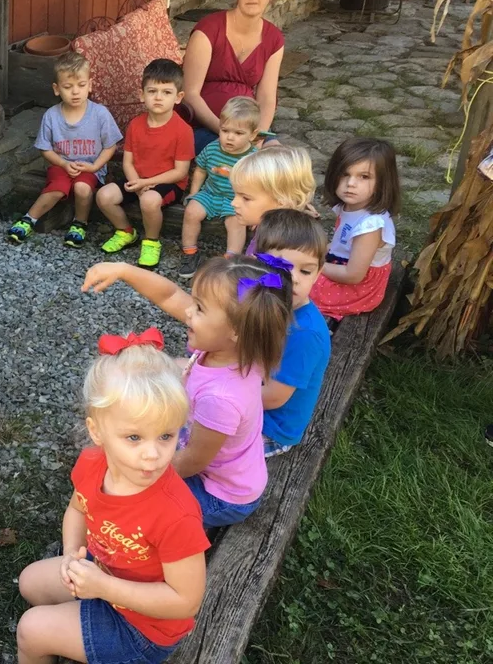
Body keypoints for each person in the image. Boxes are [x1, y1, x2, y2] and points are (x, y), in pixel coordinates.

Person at [15, 331, 209, 664]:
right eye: (134, 437)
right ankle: (75, 625)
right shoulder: (92, 464)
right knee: (30, 582)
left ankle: (64, 634)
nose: (153, 454)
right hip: (107, 573)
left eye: (166, 435)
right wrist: (71, 556)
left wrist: (104, 588)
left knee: (30, 629)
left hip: (144, 629)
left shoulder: (176, 514)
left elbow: (185, 601)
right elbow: (77, 509)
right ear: (97, 431)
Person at [83, 255, 292, 527]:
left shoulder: (221, 399)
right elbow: (170, 295)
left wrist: (135, 478)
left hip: (221, 493)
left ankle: (128, 560)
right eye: (194, 303)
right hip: (213, 466)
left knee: (138, 511)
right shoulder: (229, 348)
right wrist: (125, 270)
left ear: (237, 330)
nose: (189, 312)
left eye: (200, 308)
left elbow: (192, 462)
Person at [7, 52, 123, 248]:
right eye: (68, 87)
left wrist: (95, 166)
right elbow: (44, 148)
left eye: (81, 85)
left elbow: (110, 145)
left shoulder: (100, 114)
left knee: (82, 188)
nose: (75, 92)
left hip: (89, 168)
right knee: (57, 189)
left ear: (90, 85)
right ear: (56, 89)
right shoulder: (52, 116)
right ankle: (29, 219)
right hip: (61, 165)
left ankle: (80, 223)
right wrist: (63, 163)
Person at [95, 58, 195, 268]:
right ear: (142, 95)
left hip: (168, 182)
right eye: (152, 91)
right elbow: (128, 162)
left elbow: (180, 172)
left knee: (149, 200)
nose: (158, 97)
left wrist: (145, 186)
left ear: (178, 97)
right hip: (137, 178)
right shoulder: (136, 124)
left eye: (166, 92)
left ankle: (151, 242)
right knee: (104, 196)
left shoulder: (183, 130)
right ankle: (125, 232)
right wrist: (137, 183)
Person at [182, 0, 285, 153]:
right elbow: (190, 94)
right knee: (234, 162)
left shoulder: (274, 39)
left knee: (281, 163)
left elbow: (266, 97)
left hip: (247, 127)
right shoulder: (209, 30)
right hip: (204, 125)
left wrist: (258, 136)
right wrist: (227, 132)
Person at [252, 210, 332, 457]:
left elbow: (274, 399)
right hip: (252, 392)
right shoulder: (265, 300)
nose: (293, 279)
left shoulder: (305, 333)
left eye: (305, 271)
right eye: (281, 267)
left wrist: (219, 391)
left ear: (318, 273)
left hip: (271, 428)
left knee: (186, 437)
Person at [311, 138, 401, 321]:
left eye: (364, 177)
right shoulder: (350, 207)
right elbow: (341, 243)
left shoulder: (370, 227)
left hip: (358, 289)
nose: (351, 183)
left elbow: (353, 275)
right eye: (345, 174)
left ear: (382, 182)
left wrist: (314, 266)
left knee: (294, 283)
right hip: (341, 267)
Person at [179, 97, 260, 278]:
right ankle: (190, 253)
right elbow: (200, 170)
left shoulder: (253, 158)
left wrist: (255, 212)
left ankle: (231, 260)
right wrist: (194, 194)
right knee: (191, 212)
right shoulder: (212, 148)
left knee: (236, 223)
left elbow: (259, 186)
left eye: (238, 133)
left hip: (236, 199)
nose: (229, 137)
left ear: (252, 135)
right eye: (225, 131)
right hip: (210, 192)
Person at [229, 144, 318, 255]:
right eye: (235, 194)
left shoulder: (281, 248)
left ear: (282, 203)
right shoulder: (271, 227)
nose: (233, 203)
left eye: (246, 198)